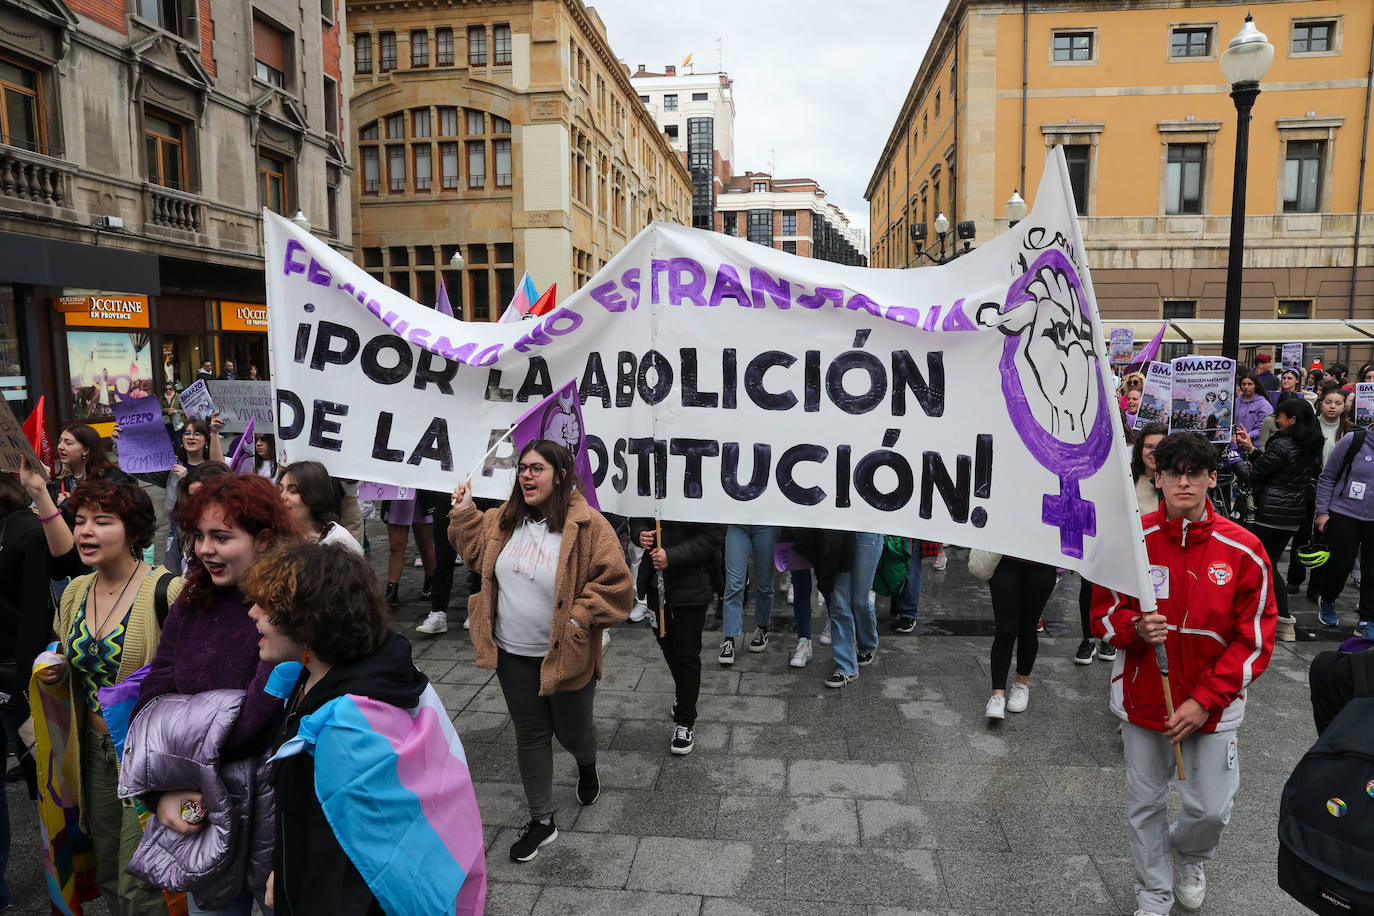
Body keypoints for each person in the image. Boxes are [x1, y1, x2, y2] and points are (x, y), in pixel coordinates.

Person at [244, 541, 486, 915]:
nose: (252, 612)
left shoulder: (344, 731)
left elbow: (335, 868)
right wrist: (282, 863)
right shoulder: (319, 675)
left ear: (309, 620)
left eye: (269, 606)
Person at [1092, 432, 1276, 916]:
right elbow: (1102, 616)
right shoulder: (1131, 541)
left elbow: (1255, 640)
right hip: (1144, 698)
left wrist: (1204, 699)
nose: (1184, 482)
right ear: (1158, 477)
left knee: (1210, 809)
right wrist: (1133, 627)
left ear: (1213, 478)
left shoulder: (1245, 549)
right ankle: (1152, 893)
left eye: (1195, 473)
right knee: (1145, 805)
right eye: (1174, 472)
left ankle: (1191, 857)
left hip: (1212, 706)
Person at [448, 440, 632, 862]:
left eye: (536, 468)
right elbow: (474, 551)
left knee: (573, 733)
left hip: (567, 656)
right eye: (522, 468)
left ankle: (587, 763)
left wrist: (580, 617)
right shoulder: (502, 521)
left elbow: (617, 583)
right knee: (530, 734)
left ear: (560, 474)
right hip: (511, 655)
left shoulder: (590, 526)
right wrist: (463, 512)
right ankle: (541, 820)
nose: (526, 476)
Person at [131, 473, 295, 914]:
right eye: (199, 536)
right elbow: (153, 698)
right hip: (201, 809)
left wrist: (185, 731)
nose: (205, 550)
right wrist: (164, 793)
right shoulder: (191, 600)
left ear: (264, 539)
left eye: (221, 537)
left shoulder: (292, 605)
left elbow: (253, 722)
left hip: (278, 809)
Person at [25, 475, 183, 915]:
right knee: (111, 873)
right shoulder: (75, 591)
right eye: (80, 521)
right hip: (94, 752)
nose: (86, 532)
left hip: (150, 756)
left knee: (143, 881)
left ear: (133, 532)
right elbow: (69, 664)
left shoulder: (168, 590)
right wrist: (54, 673)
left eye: (102, 520)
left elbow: (191, 680)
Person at [0, 473, 56, 908]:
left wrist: (23, 677)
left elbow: (35, 608)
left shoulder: (24, 531)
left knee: (46, 776)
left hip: (15, 671)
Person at [1076, 422, 1166, 664]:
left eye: (1160, 446)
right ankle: (1089, 639)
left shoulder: (1170, 482)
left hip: (1151, 555)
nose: (1153, 452)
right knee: (1092, 590)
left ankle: (1114, 637)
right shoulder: (1125, 475)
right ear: (1139, 448)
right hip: (1115, 547)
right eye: (1148, 446)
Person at [632, 518, 723, 754]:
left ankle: (685, 721)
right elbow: (637, 518)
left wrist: (671, 556)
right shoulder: (653, 484)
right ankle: (684, 693)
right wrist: (640, 534)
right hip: (656, 585)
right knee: (667, 644)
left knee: (686, 653)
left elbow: (713, 536)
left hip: (692, 586)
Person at [1235, 400, 1322, 641]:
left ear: (1292, 420)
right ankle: (1276, 617)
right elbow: (1273, 467)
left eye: (1281, 416)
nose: (1276, 419)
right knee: (1268, 563)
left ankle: (1282, 618)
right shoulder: (1307, 443)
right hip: (1291, 515)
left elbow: (1252, 475)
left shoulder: (1283, 444)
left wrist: (1234, 458)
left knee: (1265, 565)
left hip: (1271, 514)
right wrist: (1251, 450)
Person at [1314, 425, 1374, 637]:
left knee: (1372, 571)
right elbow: (1328, 476)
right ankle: (1328, 598)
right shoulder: (1354, 440)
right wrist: (1322, 512)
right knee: (1341, 565)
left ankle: (1367, 619)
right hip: (1344, 513)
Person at [984, 555, 1059, 719]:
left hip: (1042, 562)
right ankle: (998, 694)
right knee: (1005, 629)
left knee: (1028, 627)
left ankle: (1021, 685)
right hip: (1005, 558)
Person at [719, 524, 778, 665]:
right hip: (737, 522)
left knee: (765, 584)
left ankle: (762, 627)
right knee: (733, 584)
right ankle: (729, 638)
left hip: (766, 523)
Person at [277, 460, 361, 553]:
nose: (282, 497)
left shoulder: (339, 541)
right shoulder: (275, 536)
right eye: (280, 490)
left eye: (293, 491)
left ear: (314, 495)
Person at [381, 491, 436, 611]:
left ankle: (431, 582)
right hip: (398, 491)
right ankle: (392, 589)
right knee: (396, 546)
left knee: (425, 544)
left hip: (422, 490)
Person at [1234, 373, 1273, 441]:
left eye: (1250, 384)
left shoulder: (1264, 405)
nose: (1246, 387)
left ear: (1256, 386)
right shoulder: (1235, 402)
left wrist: (1246, 436)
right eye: (1243, 384)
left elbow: (1262, 428)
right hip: (1235, 444)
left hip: (1255, 446)